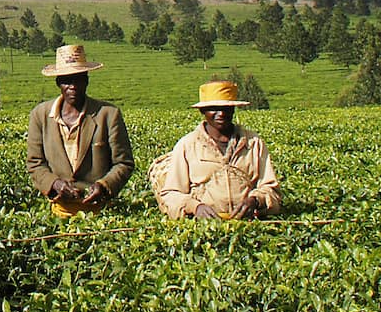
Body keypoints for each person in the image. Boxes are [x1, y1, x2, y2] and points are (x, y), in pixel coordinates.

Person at [25, 45, 134, 216]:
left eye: (78, 79)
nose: (73, 86)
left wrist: (104, 186)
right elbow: (35, 163)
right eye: (67, 80)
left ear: (87, 80)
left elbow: (124, 163)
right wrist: (55, 184)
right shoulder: (41, 115)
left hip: (100, 210)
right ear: (58, 82)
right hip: (59, 209)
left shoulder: (108, 114)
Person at [151, 80, 282, 220]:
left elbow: (271, 190)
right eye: (213, 108)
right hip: (201, 228)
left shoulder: (253, 143)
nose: (221, 113)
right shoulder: (187, 145)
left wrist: (255, 200)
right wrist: (195, 207)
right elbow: (171, 195)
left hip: (250, 224)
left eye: (226, 108)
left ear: (233, 109)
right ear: (202, 111)